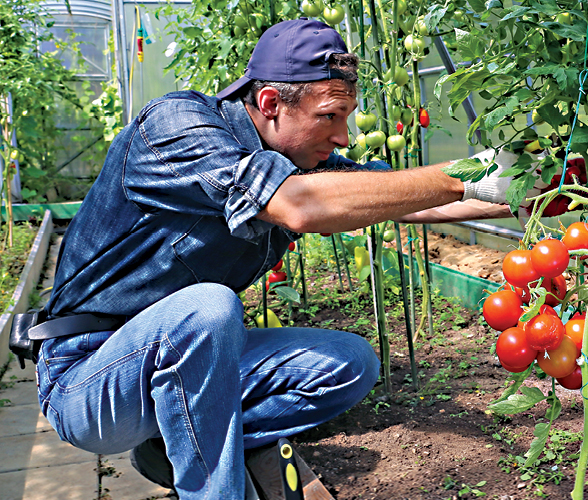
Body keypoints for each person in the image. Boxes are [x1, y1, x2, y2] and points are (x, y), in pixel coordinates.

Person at [34, 18, 517, 500]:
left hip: (183, 364)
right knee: (208, 306)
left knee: (351, 364)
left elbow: (415, 200)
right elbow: (299, 205)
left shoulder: (299, 159)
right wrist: (465, 173)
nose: (344, 137)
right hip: (90, 377)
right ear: (270, 103)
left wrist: (524, 189)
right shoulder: (176, 126)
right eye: (330, 116)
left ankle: (174, 443)